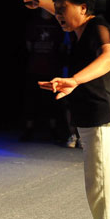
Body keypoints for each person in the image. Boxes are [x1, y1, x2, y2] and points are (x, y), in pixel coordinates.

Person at [24, 0, 110, 219]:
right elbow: (60, 8)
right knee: (100, 191)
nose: (57, 14)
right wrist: (41, 2)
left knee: (102, 193)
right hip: (100, 123)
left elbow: (109, 58)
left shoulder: (97, 28)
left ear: (84, 8)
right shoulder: (83, 26)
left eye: (62, 9)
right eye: (54, 9)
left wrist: (75, 81)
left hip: (104, 125)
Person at [21, 8, 66, 142]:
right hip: (34, 67)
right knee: (31, 99)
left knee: (52, 101)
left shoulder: (57, 24)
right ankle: (29, 129)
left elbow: (62, 45)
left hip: (52, 68)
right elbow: (28, 44)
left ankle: (53, 129)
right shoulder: (34, 23)